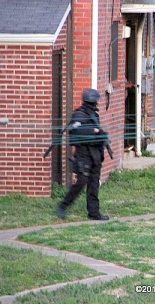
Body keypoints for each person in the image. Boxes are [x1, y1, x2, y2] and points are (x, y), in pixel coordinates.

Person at [56, 88, 110, 221]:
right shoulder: (79, 115)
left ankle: (94, 212)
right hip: (83, 154)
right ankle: (63, 206)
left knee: (94, 184)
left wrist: (102, 137)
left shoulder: (93, 114)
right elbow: (76, 132)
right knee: (81, 182)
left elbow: (98, 132)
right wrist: (94, 130)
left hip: (95, 154)